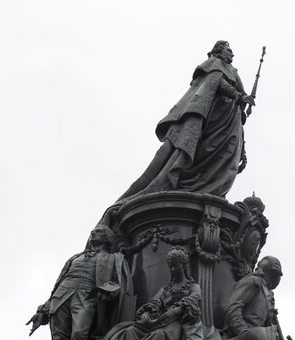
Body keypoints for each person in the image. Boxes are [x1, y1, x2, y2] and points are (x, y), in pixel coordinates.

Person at [100, 41, 255, 227]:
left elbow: (241, 93)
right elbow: (217, 82)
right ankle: (187, 186)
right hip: (212, 117)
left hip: (230, 119)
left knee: (226, 159)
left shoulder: (234, 71)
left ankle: (210, 189)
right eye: (228, 50)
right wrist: (238, 96)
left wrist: (244, 99)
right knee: (201, 151)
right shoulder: (214, 65)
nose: (232, 54)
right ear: (218, 52)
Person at [26, 225, 133, 340]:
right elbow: (58, 284)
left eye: (99, 232)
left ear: (108, 238)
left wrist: (106, 291)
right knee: (58, 336)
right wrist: (43, 310)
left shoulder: (113, 258)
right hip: (60, 297)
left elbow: (118, 282)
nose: (93, 233)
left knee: (79, 333)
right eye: (92, 231)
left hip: (87, 296)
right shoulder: (75, 257)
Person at [103, 246, 204, 340]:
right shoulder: (165, 289)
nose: (172, 269)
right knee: (130, 331)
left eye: (176, 266)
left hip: (177, 323)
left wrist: (176, 310)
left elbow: (194, 300)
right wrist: (146, 313)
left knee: (157, 335)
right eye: (170, 266)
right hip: (159, 322)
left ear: (184, 266)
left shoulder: (194, 287)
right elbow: (155, 303)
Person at [224, 256, 283, 340]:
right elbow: (232, 308)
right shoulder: (254, 281)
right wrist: (243, 331)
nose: (278, 279)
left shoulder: (268, 294)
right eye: (275, 274)